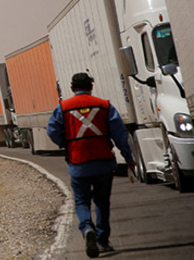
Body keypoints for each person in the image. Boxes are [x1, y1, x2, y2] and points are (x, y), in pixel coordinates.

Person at [47, 72, 135, 258]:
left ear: (72, 88)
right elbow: (119, 133)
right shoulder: (104, 106)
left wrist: (66, 143)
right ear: (91, 86)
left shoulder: (63, 107)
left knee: (81, 201)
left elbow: (52, 130)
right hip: (103, 163)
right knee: (102, 202)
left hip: (78, 163)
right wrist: (128, 157)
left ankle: (87, 228)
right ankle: (103, 240)